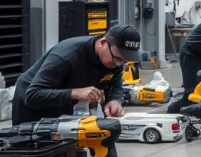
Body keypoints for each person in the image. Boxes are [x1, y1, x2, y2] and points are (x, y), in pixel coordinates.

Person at [12, 24, 142, 124]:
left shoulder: (114, 61)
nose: (119, 64)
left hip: (63, 106)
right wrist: (74, 93)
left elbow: (115, 83)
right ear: (103, 43)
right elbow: (32, 95)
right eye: (117, 58)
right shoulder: (67, 56)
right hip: (31, 105)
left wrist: (114, 100)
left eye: (124, 61)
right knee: (35, 153)